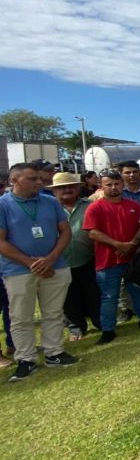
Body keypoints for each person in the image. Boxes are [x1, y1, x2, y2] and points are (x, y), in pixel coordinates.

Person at [0, 163, 77, 381]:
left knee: (53, 312)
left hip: (55, 267)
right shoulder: (3, 205)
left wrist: (51, 258)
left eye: (39, 178)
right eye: (32, 178)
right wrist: (29, 262)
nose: (39, 182)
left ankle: (54, 352)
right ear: (15, 180)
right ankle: (26, 359)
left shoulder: (50, 202)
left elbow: (65, 232)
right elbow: (1, 241)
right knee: (20, 317)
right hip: (18, 270)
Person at [84, 168, 140, 343]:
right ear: (101, 186)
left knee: (138, 291)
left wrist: (131, 244)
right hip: (108, 260)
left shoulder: (134, 206)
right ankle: (108, 329)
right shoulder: (95, 207)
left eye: (117, 184)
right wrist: (118, 245)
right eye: (108, 184)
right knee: (110, 297)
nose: (113, 187)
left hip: (132, 257)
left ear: (122, 184)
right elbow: (92, 232)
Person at [51, 172, 100, 340]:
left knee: (94, 293)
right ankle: (76, 328)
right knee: (68, 297)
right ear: (54, 191)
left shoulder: (90, 205)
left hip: (89, 257)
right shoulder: (48, 208)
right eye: (62, 187)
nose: (67, 190)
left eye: (71, 186)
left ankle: (101, 322)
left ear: (78, 188)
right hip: (59, 260)